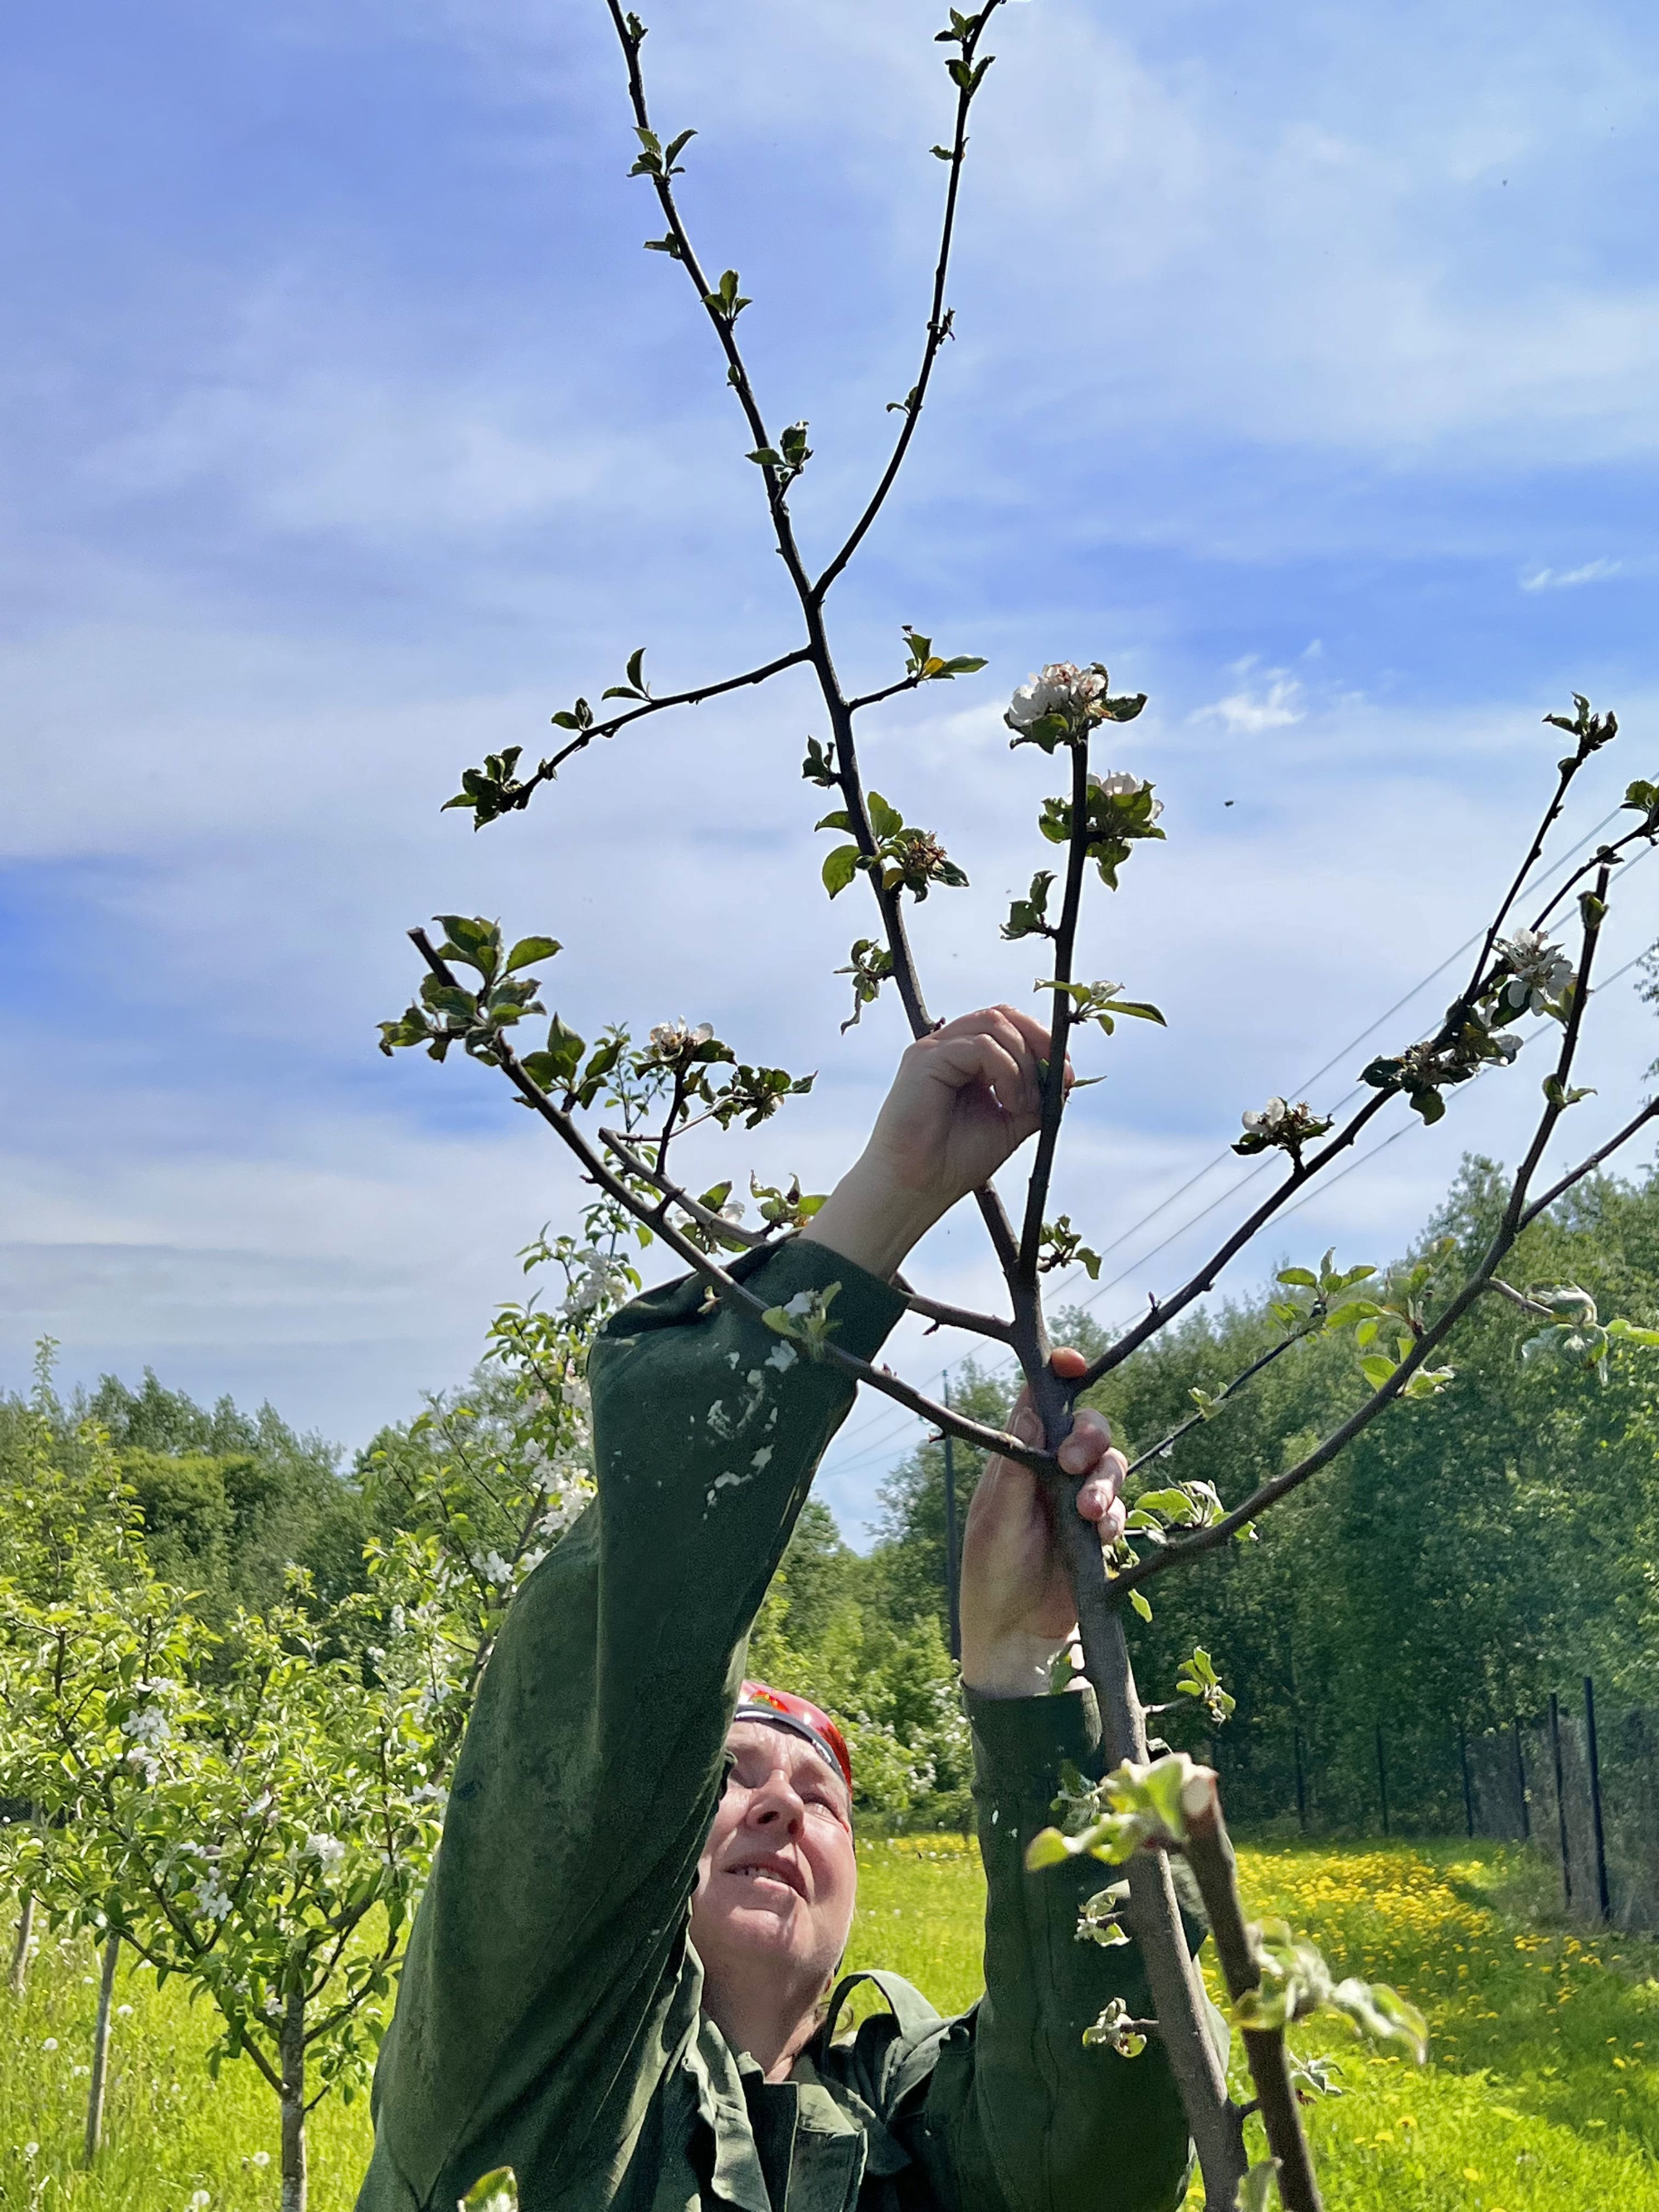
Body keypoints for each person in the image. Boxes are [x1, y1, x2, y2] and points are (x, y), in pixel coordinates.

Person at [356, 1007, 1198, 2212]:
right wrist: (885, 1202)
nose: (781, 1806)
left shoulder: (929, 2145)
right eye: (738, 1774)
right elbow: (624, 1691)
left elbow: (1101, 2141)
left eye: (823, 1803)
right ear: (660, 1847)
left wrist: (1020, 1666)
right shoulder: (535, 2080)